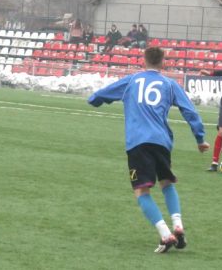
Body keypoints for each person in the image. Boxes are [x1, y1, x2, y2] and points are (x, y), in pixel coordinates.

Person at [88, 47, 210, 253]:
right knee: (166, 183)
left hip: (138, 142)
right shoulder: (170, 84)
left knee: (141, 190)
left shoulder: (132, 80)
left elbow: (99, 95)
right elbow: (189, 110)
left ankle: (165, 234)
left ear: (143, 60)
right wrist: (200, 138)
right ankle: (177, 224)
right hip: (162, 141)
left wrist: (94, 100)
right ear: (163, 62)